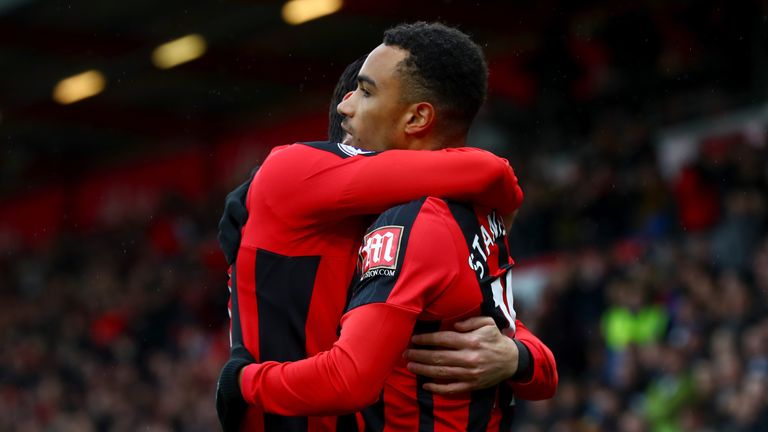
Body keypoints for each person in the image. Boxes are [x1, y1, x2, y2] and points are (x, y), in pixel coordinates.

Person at [216, 23, 556, 432]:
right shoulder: (304, 177)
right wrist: (505, 195)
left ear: (416, 116)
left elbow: (351, 378)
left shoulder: (415, 220)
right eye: (355, 91)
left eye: (365, 92)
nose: (347, 106)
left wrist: (516, 357)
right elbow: (487, 172)